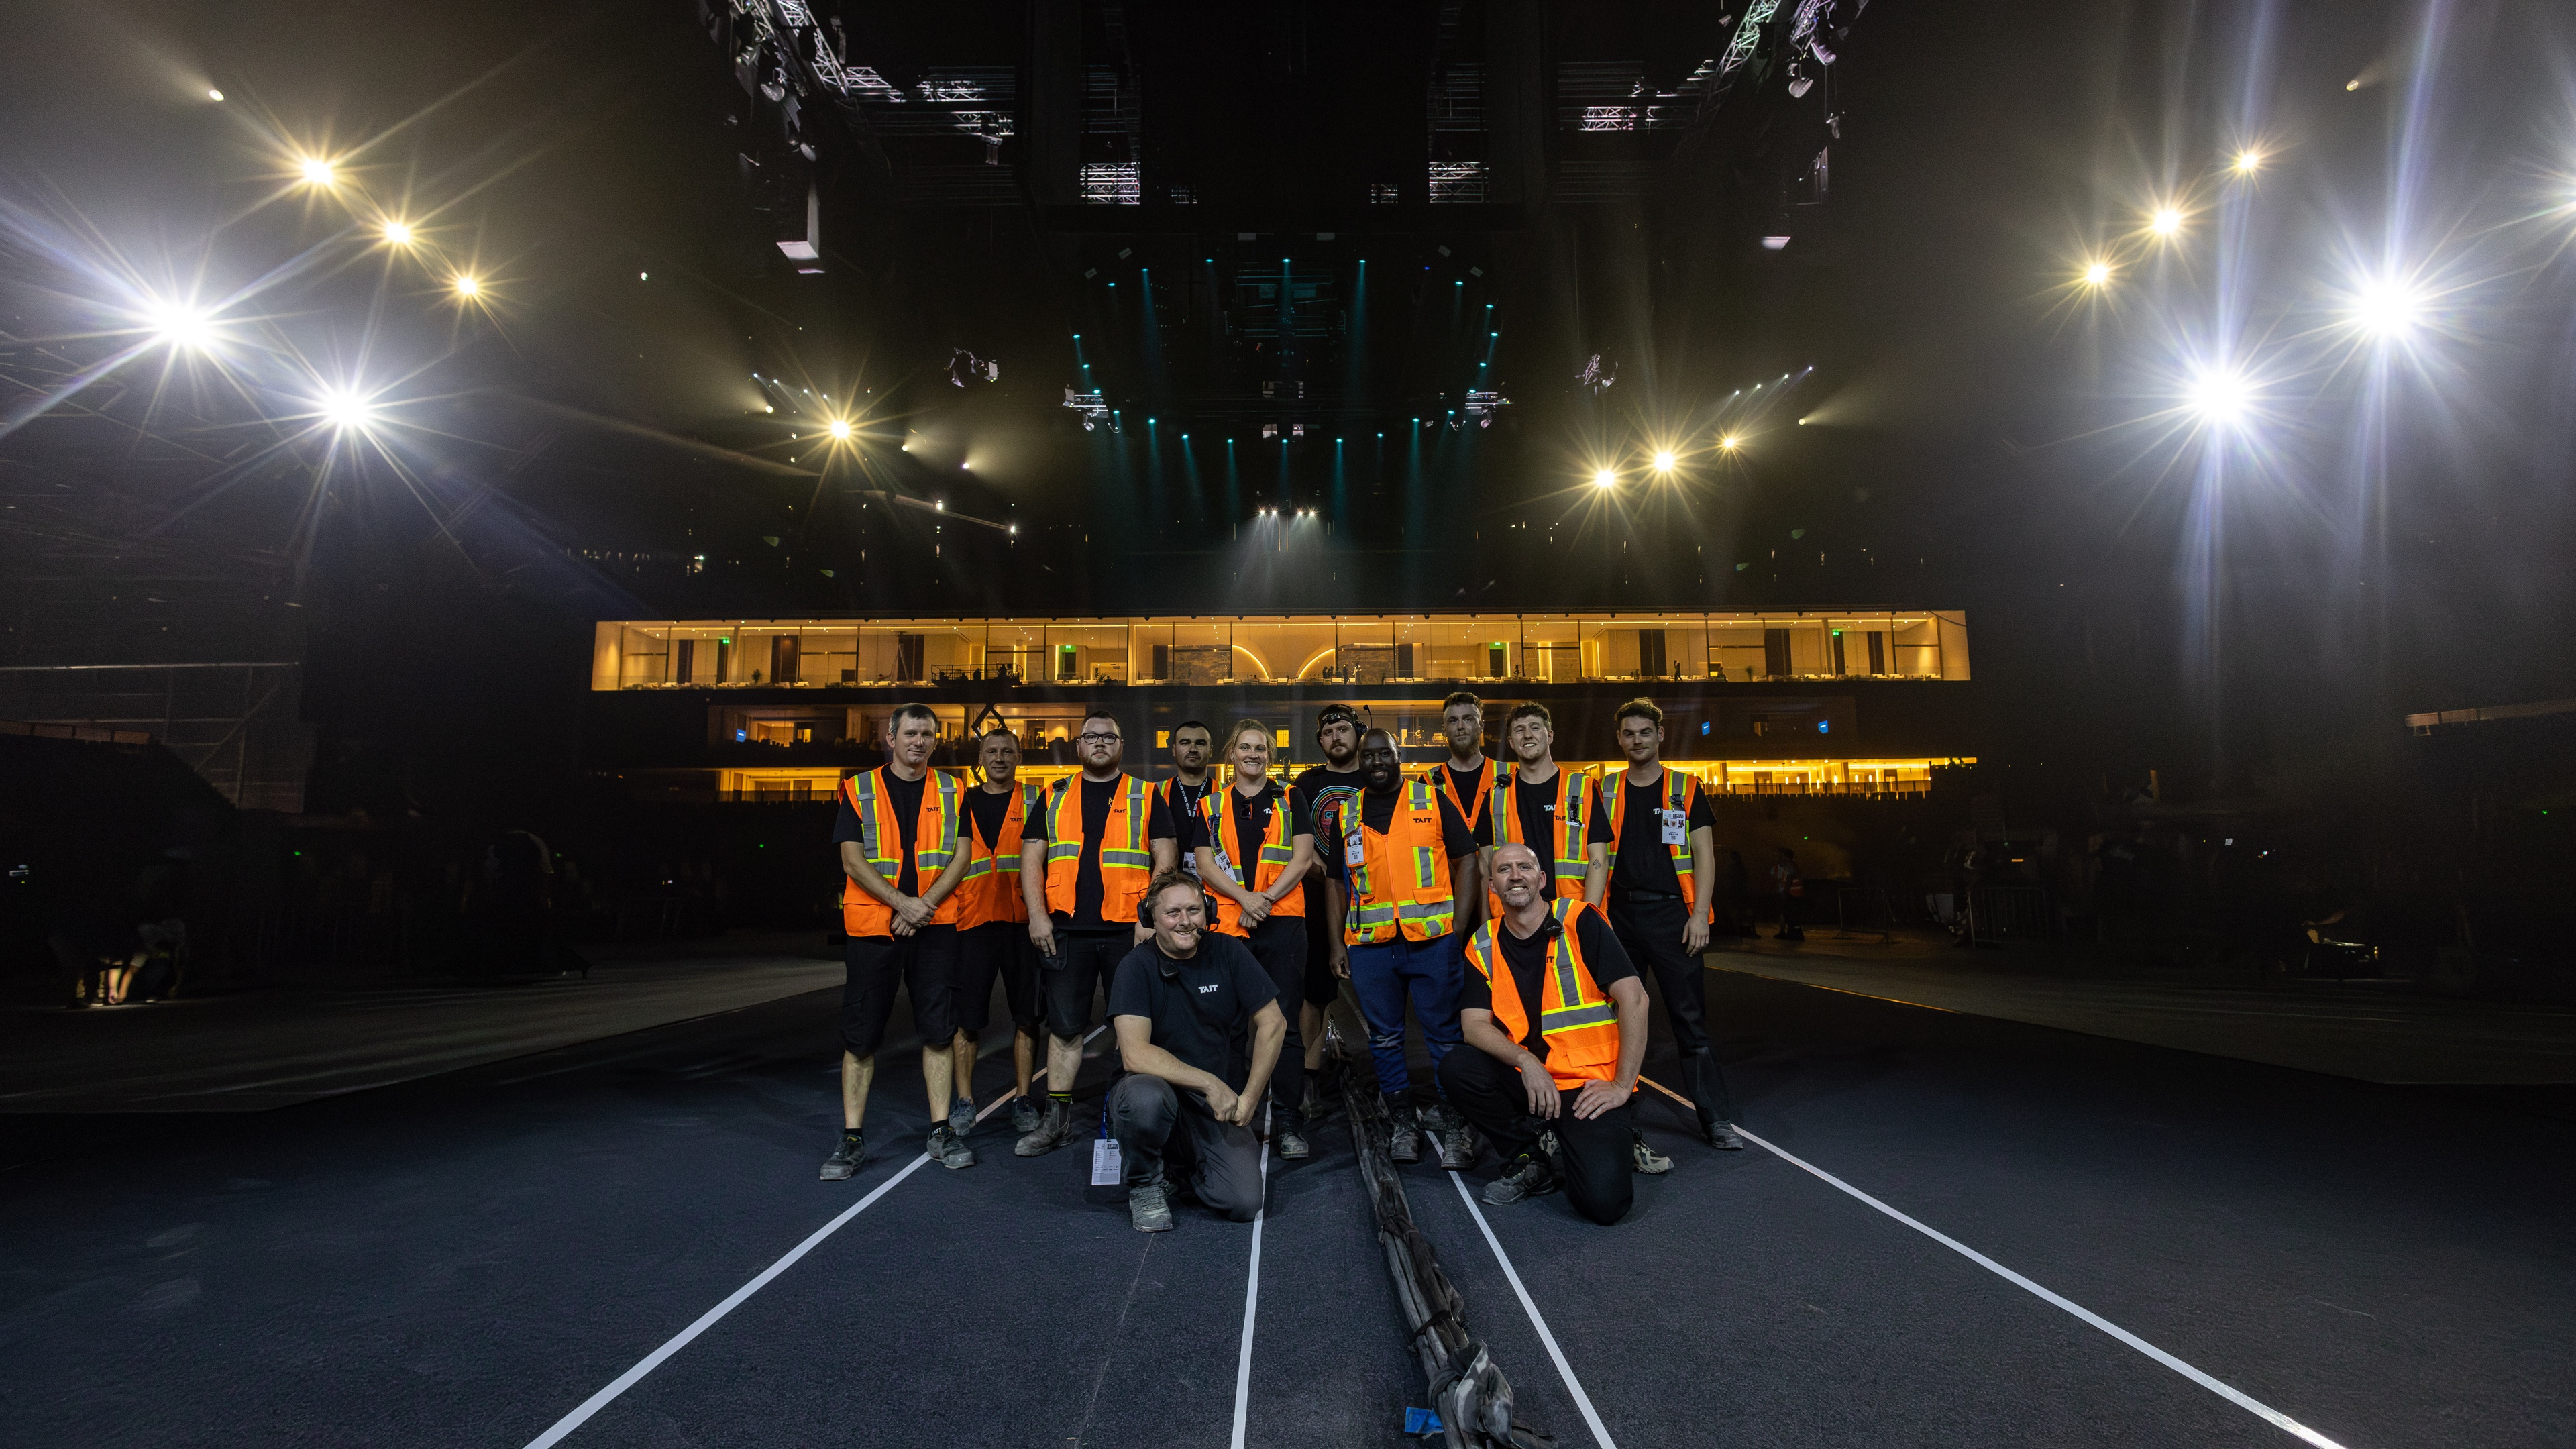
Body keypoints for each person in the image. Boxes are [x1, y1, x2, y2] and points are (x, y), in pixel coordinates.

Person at [1440, 843, 1652, 1225]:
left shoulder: (1580, 920)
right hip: (1530, 1079)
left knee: (1606, 1207)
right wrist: (1525, 1060)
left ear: (1541, 880)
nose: (1515, 875)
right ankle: (1527, 1157)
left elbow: (1635, 999)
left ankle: (1591, 1138)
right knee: (1458, 1066)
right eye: (1505, 870)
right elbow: (1473, 1027)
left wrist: (1622, 1086)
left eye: (1525, 868)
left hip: (1588, 1086)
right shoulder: (1483, 942)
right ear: (1492, 885)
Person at [1014, 710, 1180, 1156]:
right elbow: (1032, 860)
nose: (1101, 743)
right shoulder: (1053, 795)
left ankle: (1137, 1120)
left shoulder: (1147, 795)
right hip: (1066, 928)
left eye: (1110, 736)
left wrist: (1148, 921)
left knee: (1137, 1028)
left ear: (1122, 746)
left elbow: (1165, 858)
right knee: (1065, 1030)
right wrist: (1037, 915)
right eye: (1092, 737)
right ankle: (1058, 1119)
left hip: (1129, 931)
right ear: (1079, 746)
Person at [824, 704, 975, 1181]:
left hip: (934, 928)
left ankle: (940, 1129)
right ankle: (851, 1139)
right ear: (890, 738)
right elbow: (852, 860)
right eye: (910, 733)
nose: (919, 741)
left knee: (938, 1032)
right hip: (874, 930)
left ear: (936, 740)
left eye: (927, 734)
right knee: (861, 1036)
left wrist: (922, 905)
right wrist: (900, 905)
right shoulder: (859, 789)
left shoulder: (953, 789)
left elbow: (963, 856)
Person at [1322, 728, 1482, 1168]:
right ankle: (1402, 1124)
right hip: (1372, 947)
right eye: (1368, 754)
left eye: (1384, 753)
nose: (1376, 761)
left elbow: (1467, 859)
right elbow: (1336, 882)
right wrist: (1337, 943)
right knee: (1386, 1039)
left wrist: (1459, 928)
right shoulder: (1347, 813)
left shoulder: (1429, 800)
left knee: (1445, 1039)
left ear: (1398, 756)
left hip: (1432, 942)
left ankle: (1455, 1127)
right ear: (1360, 759)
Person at [1599, 699, 1745, 1150]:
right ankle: (1620, 1121)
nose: (1637, 740)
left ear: (1660, 736)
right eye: (1629, 733)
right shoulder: (1602, 789)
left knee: (1689, 1021)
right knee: (1615, 1021)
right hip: (1617, 916)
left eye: (1645, 732)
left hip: (1671, 918)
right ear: (1619, 738)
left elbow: (1704, 854)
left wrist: (1700, 914)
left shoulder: (1685, 787)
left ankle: (1716, 1120)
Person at [1106, 873, 1288, 1232]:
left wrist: (1250, 1097)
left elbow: (1274, 1024)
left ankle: (1181, 1168)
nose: (1185, 921)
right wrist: (1209, 1083)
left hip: (1212, 1104)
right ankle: (1145, 1184)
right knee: (1144, 1099)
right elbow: (1135, 1055)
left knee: (1244, 1202)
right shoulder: (1135, 967)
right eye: (1173, 913)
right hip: (1157, 1090)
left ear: (1208, 911)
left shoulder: (1228, 952)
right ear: (1151, 919)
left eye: (1194, 910)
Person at [1188, 718, 1318, 1157]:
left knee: (1283, 1024)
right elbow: (1204, 865)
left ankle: (1288, 1120)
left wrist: (1263, 900)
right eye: (1245, 747)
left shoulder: (1291, 798)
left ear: (1270, 756)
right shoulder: (1211, 804)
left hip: (1282, 924)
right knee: (1227, 1025)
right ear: (1232, 754)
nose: (1253, 755)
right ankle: (1230, 1116)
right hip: (1227, 926)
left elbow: (1302, 860)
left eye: (1260, 749)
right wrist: (1245, 899)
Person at [953, 727, 1047, 1136]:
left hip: (1021, 923)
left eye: (1007, 751)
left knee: (1027, 1017)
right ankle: (964, 1100)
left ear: (1019, 756)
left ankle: (1023, 1098)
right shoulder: (961, 801)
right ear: (981, 757)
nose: (999, 758)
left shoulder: (1036, 800)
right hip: (971, 922)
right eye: (991, 751)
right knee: (966, 1019)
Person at [1289, 703, 1366, 1114]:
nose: (1337, 736)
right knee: (1316, 991)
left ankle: (1394, 1079)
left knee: (1381, 990)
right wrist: (1318, 868)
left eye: (1343, 729)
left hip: (1375, 899)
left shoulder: (1376, 774)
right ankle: (1309, 1075)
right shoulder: (1305, 785)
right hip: (1319, 899)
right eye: (1329, 731)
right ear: (1320, 741)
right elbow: (1294, 839)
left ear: (1357, 733)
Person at [1478, 702, 1611, 917]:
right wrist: (1485, 919)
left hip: (1571, 912)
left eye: (1535, 727)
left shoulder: (1581, 788)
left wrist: (1588, 916)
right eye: (1520, 730)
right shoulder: (1496, 795)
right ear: (1511, 742)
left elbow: (1599, 859)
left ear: (1549, 736)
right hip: (1513, 916)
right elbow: (1484, 865)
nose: (1528, 735)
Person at [1424, 691, 1507, 838]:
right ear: (1444, 730)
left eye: (1468, 719)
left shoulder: (1510, 776)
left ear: (1481, 726)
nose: (1461, 726)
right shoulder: (1427, 783)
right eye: (1453, 720)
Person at [1156, 720, 1220, 888]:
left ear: (1210, 751)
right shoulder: (1155, 793)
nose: (1193, 749)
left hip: (1219, 887)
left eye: (1200, 743)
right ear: (1174, 750)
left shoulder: (1226, 793)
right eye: (1185, 743)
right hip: (1168, 887)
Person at [1770, 845, 1805, 941]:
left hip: (1793, 894)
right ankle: (1794, 934)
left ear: (1785, 856)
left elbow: (1790, 878)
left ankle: (1795, 934)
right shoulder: (1792, 865)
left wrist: (1786, 891)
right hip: (1795, 893)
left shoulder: (1790, 865)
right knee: (1791, 914)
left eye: (1782, 855)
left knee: (1790, 914)